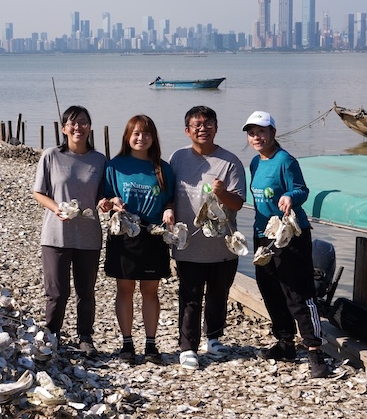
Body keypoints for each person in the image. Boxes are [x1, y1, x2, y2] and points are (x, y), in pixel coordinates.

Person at [243, 110, 329, 378]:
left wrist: (291, 196)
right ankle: (285, 343)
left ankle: (315, 350)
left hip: (291, 234)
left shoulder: (285, 161)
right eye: (252, 132)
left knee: (297, 291)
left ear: (273, 133)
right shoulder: (255, 163)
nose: (257, 137)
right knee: (270, 289)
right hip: (263, 233)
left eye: (261, 131)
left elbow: (302, 189)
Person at [167, 106, 246, 370]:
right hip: (187, 243)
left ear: (216, 127)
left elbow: (237, 204)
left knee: (218, 294)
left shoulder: (231, 162)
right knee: (189, 295)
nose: (203, 128)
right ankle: (187, 346)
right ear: (187, 130)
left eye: (208, 123)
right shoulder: (177, 158)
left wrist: (222, 193)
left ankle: (213, 338)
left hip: (222, 244)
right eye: (197, 124)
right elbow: (167, 193)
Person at [32, 105, 108, 357]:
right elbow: (38, 192)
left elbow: (102, 196)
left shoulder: (99, 160)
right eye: (72, 123)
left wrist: (105, 203)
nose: (78, 127)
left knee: (86, 292)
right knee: (57, 292)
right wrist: (56, 209)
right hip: (55, 235)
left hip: (89, 235)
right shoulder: (51, 156)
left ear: (90, 127)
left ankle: (85, 337)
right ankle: (52, 335)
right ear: (64, 128)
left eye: (83, 122)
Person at [103, 115, 175, 364]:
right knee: (124, 289)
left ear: (153, 137)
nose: (140, 138)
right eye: (135, 133)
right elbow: (105, 197)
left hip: (154, 234)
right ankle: (126, 343)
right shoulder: (115, 166)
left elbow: (170, 199)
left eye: (146, 134)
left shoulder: (163, 168)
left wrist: (168, 209)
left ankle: (151, 344)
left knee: (150, 290)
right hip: (124, 232)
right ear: (127, 136)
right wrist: (111, 201)